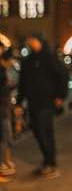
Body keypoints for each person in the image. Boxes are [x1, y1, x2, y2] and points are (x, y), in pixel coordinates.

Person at [15, 35, 68, 180]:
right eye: (29, 41)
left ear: (39, 41)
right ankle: (47, 161)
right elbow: (22, 84)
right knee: (37, 132)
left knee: (45, 133)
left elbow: (63, 75)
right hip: (32, 103)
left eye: (33, 40)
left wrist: (60, 96)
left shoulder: (49, 58)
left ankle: (52, 164)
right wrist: (19, 103)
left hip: (46, 102)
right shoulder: (28, 61)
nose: (30, 43)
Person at [0, 48, 16, 179]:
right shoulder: (1, 71)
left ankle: (6, 162)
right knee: (6, 137)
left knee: (7, 137)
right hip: (2, 110)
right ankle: (3, 164)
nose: (12, 63)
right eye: (10, 61)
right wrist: (9, 87)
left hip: (4, 108)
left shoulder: (4, 70)